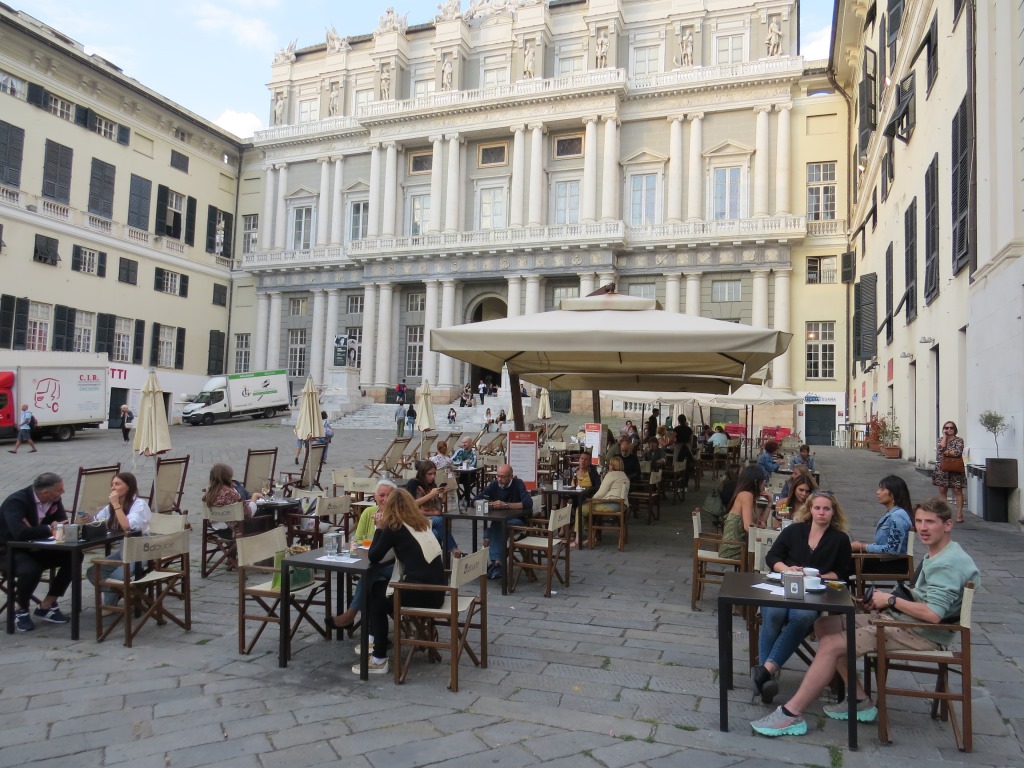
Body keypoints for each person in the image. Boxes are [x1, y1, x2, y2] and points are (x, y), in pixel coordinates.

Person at [751, 499, 980, 737]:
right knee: (824, 625)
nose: (923, 528)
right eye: (919, 521)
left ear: (947, 525)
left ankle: (791, 713)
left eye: (930, 522)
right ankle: (859, 699)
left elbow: (933, 615)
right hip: (903, 621)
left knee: (831, 644)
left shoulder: (947, 565)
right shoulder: (942, 552)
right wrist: (883, 600)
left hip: (919, 632)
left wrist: (891, 601)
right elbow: (924, 598)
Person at [752, 491, 853, 704]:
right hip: (782, 589)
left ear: (833, 512)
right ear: (810, 510)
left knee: (802, 617)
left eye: (826, 509)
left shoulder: (840, 539)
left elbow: (842, 573)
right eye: (817, 508)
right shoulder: (794, 530)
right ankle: (766, 677)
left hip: (813, 595)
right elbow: (772, 557)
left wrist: (816, 577)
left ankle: (764, 673)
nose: (821, 512)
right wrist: (788, 569)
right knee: (774, 614)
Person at [359, 489, 447, 675]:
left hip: (422, 593)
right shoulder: (421, 523)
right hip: (438, 590)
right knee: (380, 589)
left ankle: (378, 656)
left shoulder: (394, 528)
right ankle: (377, 640)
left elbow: (374, 556)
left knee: (375, 596)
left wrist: (379, 528)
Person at [0, 472, 71, 630]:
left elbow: (62, 523)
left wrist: (35, 529)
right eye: (59, 490)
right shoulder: (16, 502)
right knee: (31, 568)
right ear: (45, 492)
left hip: (38, 546)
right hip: (9, 550)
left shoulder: (54, 500)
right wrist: (48, 528)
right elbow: (20, 534)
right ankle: (22, 610)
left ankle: (46, 605)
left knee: (74, 556)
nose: (62, 493)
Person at [331, 479, 396, 630]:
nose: (385, 499)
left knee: (371, 572)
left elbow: (391, 548)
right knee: (374, 577)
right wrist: (368, 546)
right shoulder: (368, 513)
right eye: (382, 495)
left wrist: (379, 529)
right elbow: (357, 539)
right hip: (371, 560)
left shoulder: (397, 516)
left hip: (394, 567)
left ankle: (351, 614)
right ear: (375, 496)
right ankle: (373, 633)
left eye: (389, 496)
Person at [81, 472, 152, 606]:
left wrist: (116, 505)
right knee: (93, 572)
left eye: (117, 484)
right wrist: (89, 520)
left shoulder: (139, 504)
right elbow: (98, 522)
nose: (113, 488)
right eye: (112, 484)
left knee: (116, 578)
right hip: (123, 551)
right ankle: (129, 594)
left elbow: (127, 526)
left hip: (141, 551)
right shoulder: (111, 506)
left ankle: (111, 605)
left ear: (129, 487)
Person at [476, 464, 533, 580]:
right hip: (500, 523)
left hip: (517, 521)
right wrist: (490, 504)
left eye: (502, 477)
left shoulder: (518, 483)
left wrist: (506, 505)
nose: (499, 479)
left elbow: (528, 503)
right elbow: (476, 499)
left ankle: (497, 563)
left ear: (510, 477)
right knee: (493, 529)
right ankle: (498, 564)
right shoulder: (494, 484)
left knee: (490, 532)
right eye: (497, 476)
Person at [850, 475, 914, 574]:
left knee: (843, 563)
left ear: (893, 494)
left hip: (892, 564)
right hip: (886, 560)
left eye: (882, 489)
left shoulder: (897, 516)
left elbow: (893, 549)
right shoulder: (894, 513)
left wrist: (863, 547)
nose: (878, 492)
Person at [406, 460, 459, 555]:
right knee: (439, 521)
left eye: (434, 473)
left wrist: (442, 495)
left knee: (436, 533)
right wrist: (431, 495)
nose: (433, 476)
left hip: (430, 518)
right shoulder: (413, 483)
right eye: (429, 474)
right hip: (415, 518)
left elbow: (437, 509)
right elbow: (410, 505)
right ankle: (454, 550)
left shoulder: (432, 485)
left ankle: (434, 559)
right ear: (422, 473)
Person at [718, 466, 767, 561]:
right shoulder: (746, 495)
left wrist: (769, 504)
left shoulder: (750, 496)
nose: (764, 484)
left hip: (741, 545)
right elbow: (748, 527)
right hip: (733, 548)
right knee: (766, 555)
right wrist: (759, 527)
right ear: (755, 482)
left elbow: (760, 521)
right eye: (763, 481)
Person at [582, 455, 630, 539]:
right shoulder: (624, 476)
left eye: (610, 464)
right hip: (623, 505)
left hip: (612, 505)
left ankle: (583, 536)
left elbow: (601, 493)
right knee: (589, 508)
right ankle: (592, 535)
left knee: (581, 509)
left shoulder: (611, 475)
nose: (609, 466)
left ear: (612, 465)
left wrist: (591, 500)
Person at [932, 420, 966, 523]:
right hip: (942, 468)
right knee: (942, 490)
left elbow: (957, 452)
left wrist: (945, 452)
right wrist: (945, 437)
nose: (949, 429)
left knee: (957, 490)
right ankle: (944, 514)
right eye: (946, 428)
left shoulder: (959, 440)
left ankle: (959, 513)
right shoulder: (940, 439)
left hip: (955, 468)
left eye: (951, 428)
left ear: (955, 430)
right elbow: (940, 450)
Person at [451, 437, 478, 506]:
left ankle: (467, 500)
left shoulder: (473, 453)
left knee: (466, 481)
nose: (463, 444)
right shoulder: (459, 451)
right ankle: (460, 497)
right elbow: (451, 460)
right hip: (460, 474)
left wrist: (459, 463)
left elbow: (472, 464)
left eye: (465, 442)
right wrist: (462, 463)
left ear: (470, 443)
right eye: (463, 442)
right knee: (451, 480)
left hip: (470, 475)